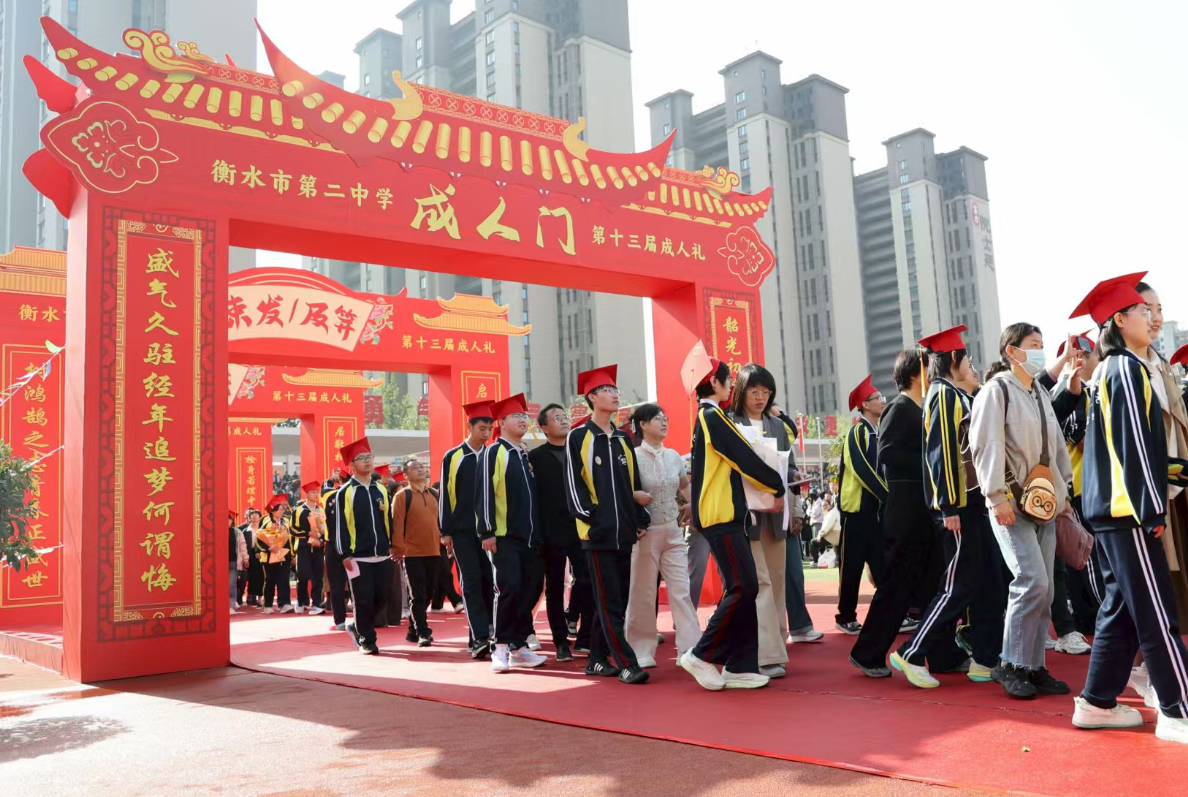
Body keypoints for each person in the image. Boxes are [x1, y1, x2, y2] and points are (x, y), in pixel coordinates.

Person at [1069, 273, 1188, 743]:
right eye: (1144, 310)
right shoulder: (1127, 369)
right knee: (1158, 611)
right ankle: (1178, 710)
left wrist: (1174, 471)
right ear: (1120, 319)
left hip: (1114, 508)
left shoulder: (1110, 370)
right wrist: (1152, 508)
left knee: (1121, 607)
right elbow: (1134, 447)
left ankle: (1097, 702)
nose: (1152, 318)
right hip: (1129, 511)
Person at [881, 330, 1001, 686]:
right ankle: (911, 652)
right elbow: (942, 453)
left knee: (988, 582)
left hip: (972, 505)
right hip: (958, 507)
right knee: (958, 585)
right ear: (954, 361)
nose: (971, 365)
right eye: (967, 359)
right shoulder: (944, 396)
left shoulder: (955, 395)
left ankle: (985, 659)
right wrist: (949, 506)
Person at [969, 322, 1074, 699]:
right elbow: (986, 445)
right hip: (1012, 503)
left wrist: (1064, 492)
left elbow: (1057, 445)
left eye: (1042, 344)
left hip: (1045, 503)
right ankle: (1010, 663)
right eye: (1033, 344)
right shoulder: (995, 391)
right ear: (1011, 351)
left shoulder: (1039, 393)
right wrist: (996, 497)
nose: (1040, 351)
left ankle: (1033, 665)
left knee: (1046, 590)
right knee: (1032, 581)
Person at [678, 358, 784, 691]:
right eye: (729, 380)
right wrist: (776, 485)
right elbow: (744, 457)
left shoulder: (710, 417)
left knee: (745, 587)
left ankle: (739, 665)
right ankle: (701, 654)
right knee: (743, 587)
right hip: (720, 515)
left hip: (725, 514)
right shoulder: (712, 417)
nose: (732, 385)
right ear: (715, 383)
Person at [853, 350, 956, 677]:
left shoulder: (921, 408)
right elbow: (887, 454)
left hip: (922, 510)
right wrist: (931, 462)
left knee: (933, 585)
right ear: (915, 373)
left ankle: (943, 654)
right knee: (897, 586)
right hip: (905, 510)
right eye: (929, 368)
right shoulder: (899, 408)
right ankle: (867, 653)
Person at [566, 365, 651, 685]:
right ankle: (628, 663)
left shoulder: (622, 438)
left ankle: (597, 660)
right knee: (610, 602)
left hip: (624, 532)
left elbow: (633, 482)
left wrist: (638, 518)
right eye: (607, 390)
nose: (615, 395)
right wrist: (593, 519)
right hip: (598, 534)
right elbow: (573, 486)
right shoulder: (579, 437)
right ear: (591, 397)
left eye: (616, 390)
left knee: (615, 602)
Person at [727, 364, 797, 675]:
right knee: (761, 582)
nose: (760, 397)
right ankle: (765, 653)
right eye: (754, 391)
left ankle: (776, 644)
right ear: (741, 392)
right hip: (746, 514)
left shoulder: (778, 425)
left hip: (776, 512)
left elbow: (788, 465)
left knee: (777, 579)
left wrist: (793, 480)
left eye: (766, 392)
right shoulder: (730, 423)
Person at [626, 403, 701, 669]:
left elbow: (685, 484)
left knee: (681, 590)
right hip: (645, 533)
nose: (664, 422)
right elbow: (621, 490)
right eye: (657, 418)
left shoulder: (673, 456)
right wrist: (635, 496)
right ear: (642, 425)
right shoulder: (632, 457)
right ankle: (640, 649)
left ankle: (690, 649)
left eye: (665, 418)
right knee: (643, 592)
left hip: (673, 530)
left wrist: (693, 505)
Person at [477, 393, 548, 672]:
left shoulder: (523, 453)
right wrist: (487, 531)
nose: (522, 420)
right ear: (502, 423)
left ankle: (519, 647)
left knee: (531, 588)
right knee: (509, 589)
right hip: (504, 536)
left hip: (530, 537)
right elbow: (484, 491)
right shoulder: (494, 452)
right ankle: (501, 647)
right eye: (516, 416)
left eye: (524, 416)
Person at [528, 403, 592, 662]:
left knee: (587, 578)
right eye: (556, 418)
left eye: (564, 416)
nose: (564, 420)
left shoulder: (579, 451)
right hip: (550, 531)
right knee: (554, 587)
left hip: (580, 527)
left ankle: (579, 626)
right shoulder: (535, 457)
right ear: (544, 428)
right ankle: (560, 642)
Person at [440, 402, 497, 659]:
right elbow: (446, 495)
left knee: (489, 581)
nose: (486, 433)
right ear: (469, 427)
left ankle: (488, 632)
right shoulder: (453, 456)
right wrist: (446, 531)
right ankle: (479, 637)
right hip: (462, 532)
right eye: (482, 428)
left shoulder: (492, 455)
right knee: (471, 581)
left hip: (489, 532)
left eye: (489, 429)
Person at [835, 375, 888, 634]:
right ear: (865, 405)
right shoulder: (858, 431)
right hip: (856, 512)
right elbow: (861, 469)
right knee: (851, 568)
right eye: (878, 398)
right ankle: (845, 617)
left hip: (875, 513)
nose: (883, 401)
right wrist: (887, 495)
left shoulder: (877, 432)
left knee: (883, 568)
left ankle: (892, 614)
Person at [335, 437, 393, 656]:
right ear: (351, 465)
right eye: (361, 458)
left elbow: (388, 520)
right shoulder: (345, 492)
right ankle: (367, 640)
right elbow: (340, 525)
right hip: (357, 557)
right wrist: (345, 554)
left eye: (369, 457)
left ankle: (356, 626)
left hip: (382, 554)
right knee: (362, 599)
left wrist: (392, 544)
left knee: (381, 598)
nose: (367, 461)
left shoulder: (381, 490)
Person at [392, 458, 442, 647]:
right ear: (406, 475)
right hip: (411, 553)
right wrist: (397, 548)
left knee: (429, 592)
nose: (420, 469)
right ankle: (423, 632)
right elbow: (397, 524)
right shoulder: (402, 496)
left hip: (434, 550)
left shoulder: (435, 494)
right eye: (414, 468)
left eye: (421, 466)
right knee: (418, 594)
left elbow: (442, 521)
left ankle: (413, 631)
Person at [289, 481, 326, 616]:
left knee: (318, 576)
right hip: (303, 547)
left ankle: (316, 604)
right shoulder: (298, 511)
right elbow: (292, 529)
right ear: (307, 494)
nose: (316, 494)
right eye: (313, 492)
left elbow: (325, 529)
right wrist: (308, 534)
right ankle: (301, 601)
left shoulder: (321, 510)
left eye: (317, 492)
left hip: (317, 548)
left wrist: (320, 540)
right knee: (303, 575)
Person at [258, 495, 294, 614]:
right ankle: (268, 604)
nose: (282, 511)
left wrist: (292, 554)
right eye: (279, 509)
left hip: (284, 555)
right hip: (269, 557)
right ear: (272, 511)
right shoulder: (266, 523)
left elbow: (289, 539)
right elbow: (259, 540)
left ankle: (285, 604)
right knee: (270, 581)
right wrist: (268, 548)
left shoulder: (286, 522)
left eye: (283, 509)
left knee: (284, 580)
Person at [238, 508, 264, 607]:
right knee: (251, 575)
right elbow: (243, 544)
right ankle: (251, 595)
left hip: (261, 554)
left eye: (256, 515)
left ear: (260, 517)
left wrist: (261, 551)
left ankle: (260, 598)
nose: (254, 517)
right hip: (249, 554)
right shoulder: (245, 531)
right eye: (252, 515)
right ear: (249, 518)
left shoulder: (263, 529)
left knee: (261, 575)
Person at [229, 510, 248, 615]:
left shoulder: (237, 532)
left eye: (230, 519)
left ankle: (231, 606)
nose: (228, 521)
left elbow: (242, 546)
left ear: (232, 521)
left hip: (233, 562)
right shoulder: (216, 530)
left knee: (232, 584)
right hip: (219, 563)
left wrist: (245, 558)